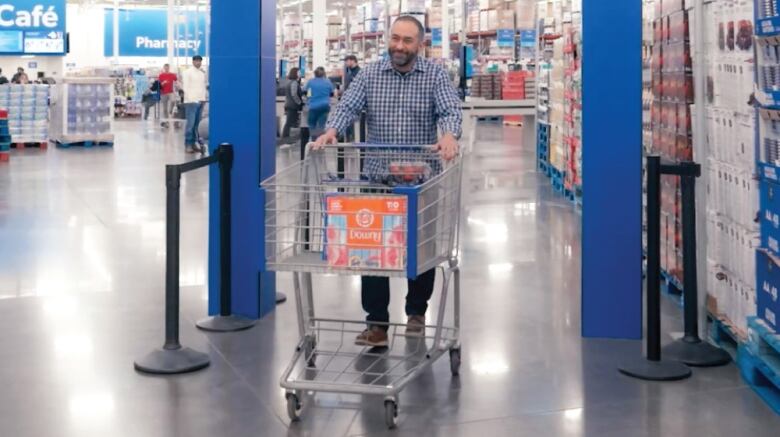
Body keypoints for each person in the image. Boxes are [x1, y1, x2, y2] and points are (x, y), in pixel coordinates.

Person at [313, 15, 462, 347]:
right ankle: (377, 324)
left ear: (419, 45)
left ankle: (416, 313)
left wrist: (449, 134)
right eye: (395, 38)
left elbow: (451, 109)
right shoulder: (370, 74)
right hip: (378, 179)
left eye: (407, 40)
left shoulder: (435, 75)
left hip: (419, 181)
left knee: (420, 250)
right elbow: (348, 104)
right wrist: (333, 129)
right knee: (373, 251)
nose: (399, 46)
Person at [181, 55, 208, 154]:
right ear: (193, 62)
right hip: (191, 102)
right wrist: (192, 99)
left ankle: (194, 144)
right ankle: (187, 144)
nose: (198, 63)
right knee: (190, 124)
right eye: (196, 61)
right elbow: (186, 88)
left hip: (200, 101)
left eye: (200, 61)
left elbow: (202, 87)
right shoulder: (187, 72)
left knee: (197, 125)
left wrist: (203, 99)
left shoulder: (202, 73)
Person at [303, 67, 334, 136]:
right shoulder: (328, 82)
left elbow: (306, 93)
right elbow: (331, 94)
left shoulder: (310, 82)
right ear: (324, 74)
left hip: (313, 106)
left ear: (315, 74)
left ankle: (312, 141)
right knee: (322, 125)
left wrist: (310, 96)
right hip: (325, 106)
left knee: (312, 125)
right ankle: (320, 142)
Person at [282, 68, 304, 138]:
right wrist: (300, 102)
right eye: (299, 72)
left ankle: (289, 137)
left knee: (291, 122)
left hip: (289, 104)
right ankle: (285, 136)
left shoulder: (289, 82)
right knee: (289, 122)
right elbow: (294, 94)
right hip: (292, 105)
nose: (300, 73)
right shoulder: (294, 82)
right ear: (295, 73)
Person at [158, 63, 178, 128]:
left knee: (173, 101)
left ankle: (171, 110)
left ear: (169, 68)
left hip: (170, 92)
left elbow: (177, 80)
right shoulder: (161, 75)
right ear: (164, 68)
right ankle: (167, 122)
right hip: (163, 93)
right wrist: (163, 83)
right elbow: (159, 85)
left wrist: (179, 86)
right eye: (165, 67)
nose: (166, 69)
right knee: (164, 108)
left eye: (167, 67)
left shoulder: (172, 75)